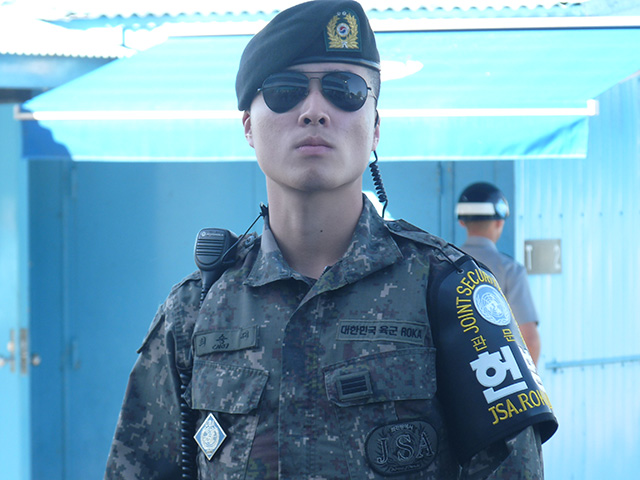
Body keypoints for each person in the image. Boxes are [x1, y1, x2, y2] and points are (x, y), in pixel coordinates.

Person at [105, 2, 557, 478]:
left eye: (345, 91)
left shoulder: (450, 292)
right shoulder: (195, 311)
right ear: (247, 127)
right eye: (285, 91)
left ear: (376, 126)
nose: (315, 111)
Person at [457, 182, 542, 365]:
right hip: (498, 378)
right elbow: (530, 340)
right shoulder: (510, 270)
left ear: (462, 222)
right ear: (499, 222)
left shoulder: (443, 264)